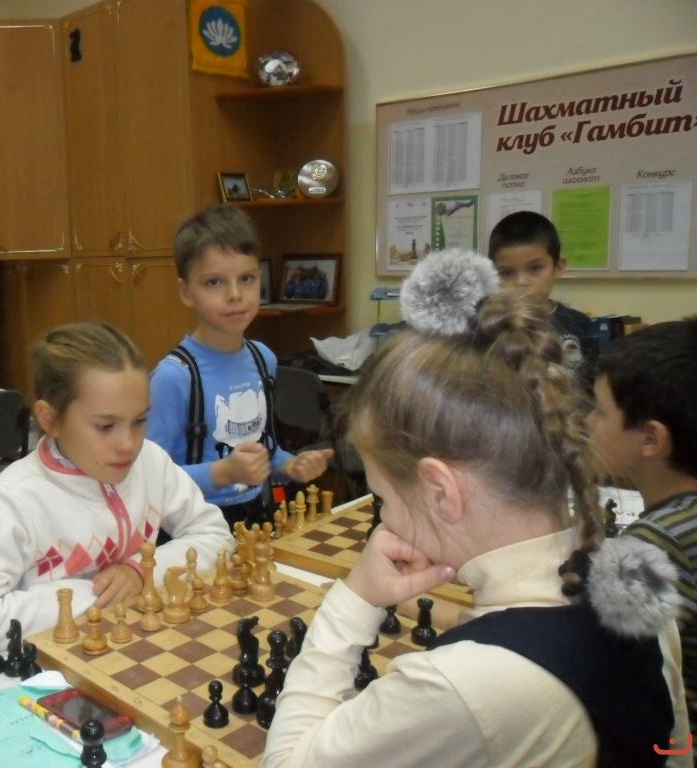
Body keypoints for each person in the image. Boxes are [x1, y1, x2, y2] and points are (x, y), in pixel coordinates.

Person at [263, 248, 690, 767]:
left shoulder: (461, 685)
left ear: (441, 491)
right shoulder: (637, 582)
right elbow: (675, 751)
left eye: (384, 497)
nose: (384, 519)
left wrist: (356, 597)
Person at [0, 322, 234, 655]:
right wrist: (93, 594)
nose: (129, 444)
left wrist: (142, 571)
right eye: (106, 426)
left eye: (139, 421)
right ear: (50, 419)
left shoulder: (151, 462)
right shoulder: (16, 499)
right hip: (57, 663)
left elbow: (216, 537)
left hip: (141, 647)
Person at [148, 204, 332, 529]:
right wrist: (223, 472)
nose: (235, 294)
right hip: (193, 527)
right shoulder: (173, 377)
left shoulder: (264, 359)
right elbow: (148, 479)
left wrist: (290, 465)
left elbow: (262, 449)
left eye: (246, 278)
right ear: (186, 292)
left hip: (257, 516)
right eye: (214, 282)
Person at [588, 316, 697, 726]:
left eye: (599, 411)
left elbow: (604, 673)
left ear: (651, 438)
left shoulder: (656, 544)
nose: (588, 423)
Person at [487, 210, 598, 386]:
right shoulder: (488, 325)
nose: (521, 282)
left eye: (535, 268)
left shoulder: (579, 324)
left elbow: (590, 389)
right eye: (506, 272)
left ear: (558, 268)